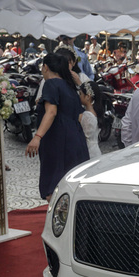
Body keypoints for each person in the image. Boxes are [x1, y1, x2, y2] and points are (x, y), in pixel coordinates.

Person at [24, 53, 89, 201]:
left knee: (54, 188)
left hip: (57, 140)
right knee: (71, 186)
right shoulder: (69, 86)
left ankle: (56, 222)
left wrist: (37, 137)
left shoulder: (51, 84)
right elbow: (78, 115)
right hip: (76, 139)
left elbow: (51, 112)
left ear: (46, 67)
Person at [78, 81, 102, 158]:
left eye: (81, 94)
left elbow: (85, 136)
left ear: (88, 96)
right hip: (95, 149)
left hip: (89, 151)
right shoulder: (95, 112)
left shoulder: (87, 116)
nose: (79, 96)